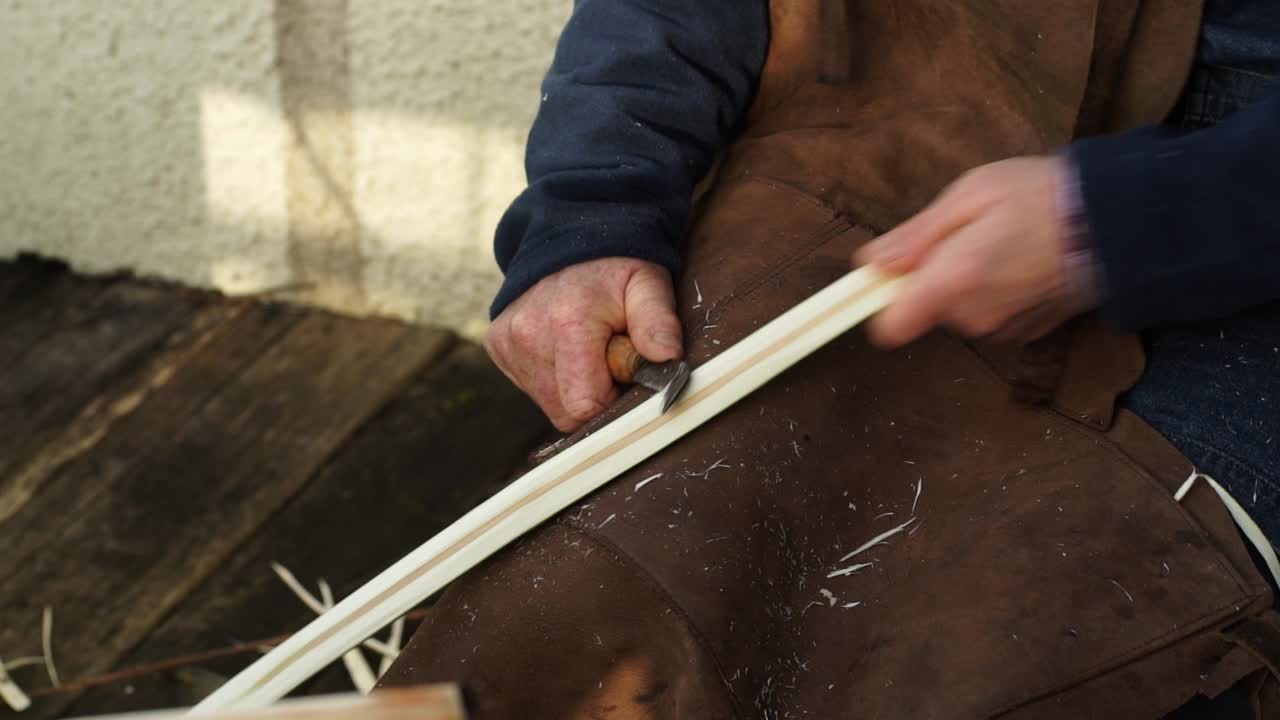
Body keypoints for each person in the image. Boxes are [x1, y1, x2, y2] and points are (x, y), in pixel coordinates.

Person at [384, 2, 1280, 717]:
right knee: (568, 620)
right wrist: (589, 209)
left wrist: (1131, 220)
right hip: (867, 155)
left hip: (1243, 225)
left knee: (1056, 645)